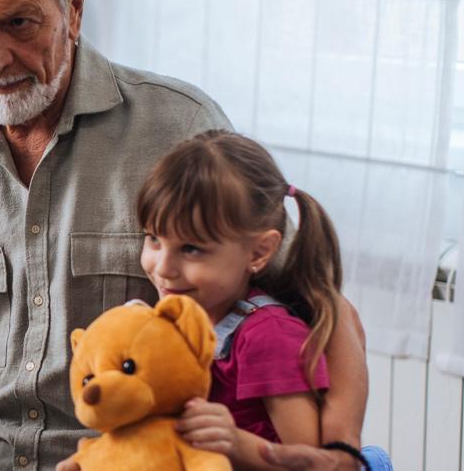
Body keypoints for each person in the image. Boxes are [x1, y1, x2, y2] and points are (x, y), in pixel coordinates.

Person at [0, 0, 371, 469]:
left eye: (18, 22)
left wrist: (343, 453)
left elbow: (320, 310)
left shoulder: (182, 125)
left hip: (140, 454)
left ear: (73, 9)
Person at [139, 130, 345, 468]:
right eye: (154, 239)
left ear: (260, 252)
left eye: (191, 249)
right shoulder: (178, 320)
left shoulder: (267, 337)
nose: (163, 268)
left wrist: (234, 441)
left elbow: (309, 461)